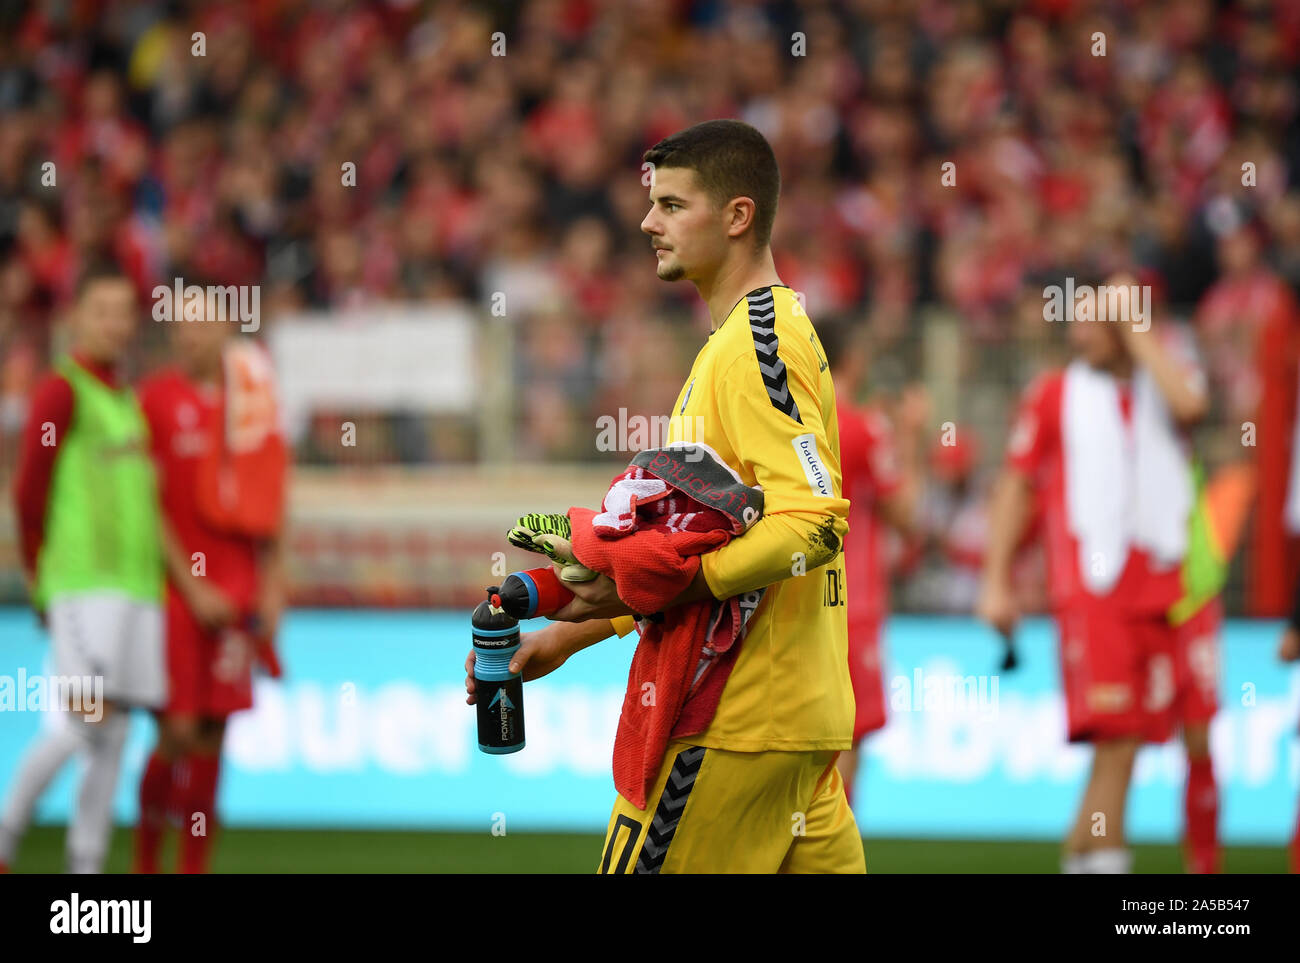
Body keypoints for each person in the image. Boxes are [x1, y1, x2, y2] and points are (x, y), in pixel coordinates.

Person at [465, 119, 863, 873]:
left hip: (731, 720)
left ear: (738, 216)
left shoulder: (755, 349)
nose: (648, 221)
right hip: (796, 729)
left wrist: (681, 582)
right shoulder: (758, 338)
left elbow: (813, 526)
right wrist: (572, 630)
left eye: (674, 205)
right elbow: (700, 543)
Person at [978, 274, 1209, 873]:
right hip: (1093, 592)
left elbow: (1192, 405)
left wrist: (1139, 330)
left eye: (1094, 317)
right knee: (1117, 744)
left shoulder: (1165, 379)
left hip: (1157, 589)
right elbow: (1016, 486)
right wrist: (997, 581)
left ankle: (1087, 861)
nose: (1079, 330)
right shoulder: (1055, 393)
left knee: (1124, 751)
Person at [0, 263, 166, 874]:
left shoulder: (126, 399)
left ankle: (85, 870)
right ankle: (6, 833)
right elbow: (27, 490)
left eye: (125, 313)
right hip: (81, 584)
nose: (115, 325)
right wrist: (42, 575)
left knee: (114, 734)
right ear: (77, 318)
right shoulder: (61, 390)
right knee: (84, 724)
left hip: (134, 590)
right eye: (102, 312)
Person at [133, 307, 287, 874]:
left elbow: (272, 494)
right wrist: (191, 586)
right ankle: (145, 865)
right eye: (183, 322)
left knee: (214, 733)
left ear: (226, 327)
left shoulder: (250, 403)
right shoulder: (154, 399)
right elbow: (146, 503)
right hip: (177, 592)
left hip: (239, 588)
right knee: (175, 728)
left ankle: (193, 867)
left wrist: (272, 586)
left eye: (203, 321)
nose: (191, 332)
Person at [818, 324, 924, 803]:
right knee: (849, 738)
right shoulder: (863, 427)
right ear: (852, 357)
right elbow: (907, 517)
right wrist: (911, 437)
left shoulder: (796, 425)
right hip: (853, 606)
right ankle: (828, 855)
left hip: (798, 604)